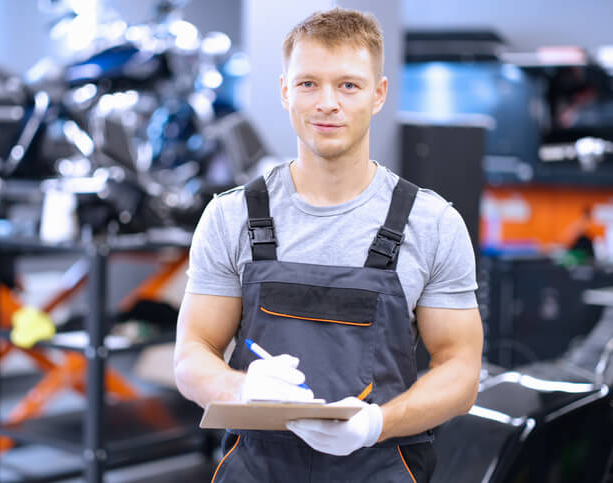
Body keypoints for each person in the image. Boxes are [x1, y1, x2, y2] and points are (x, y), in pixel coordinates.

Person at [174, 7, 483, 482]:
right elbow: (192, 354)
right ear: (284, 91)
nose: (327, 103)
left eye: (349, 85)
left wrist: (377, 424)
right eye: (307, 84)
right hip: (257, 469)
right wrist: (243, 389)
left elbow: (460, 372)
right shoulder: (231, 216)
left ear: (378, 95)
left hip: (381, 467)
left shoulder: (432, 223)